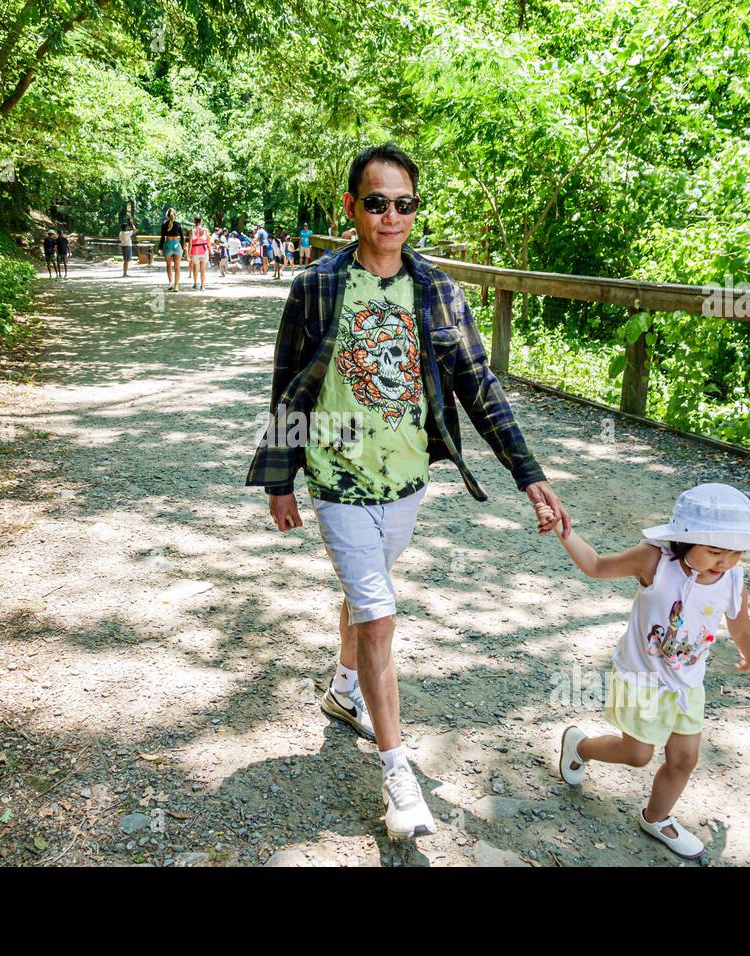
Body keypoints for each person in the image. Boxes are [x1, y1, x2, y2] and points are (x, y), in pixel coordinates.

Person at [246, 142, 570, 842]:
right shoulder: (318, 286)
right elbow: (289, 384)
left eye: (404, 203)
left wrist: (530, 475)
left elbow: (480, 388)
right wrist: (280, 478)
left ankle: (343, 687)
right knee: (380, 613)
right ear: (351, 207)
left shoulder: (438, 291)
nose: (390, 215)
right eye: (376, 202)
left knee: (370, 597)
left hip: (407, 481)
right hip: (336, 478)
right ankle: (397, 776)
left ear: (414, 209)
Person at [549, 483, 750, 859]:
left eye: (735, 552)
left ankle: (656, 817)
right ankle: (581, 746)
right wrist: (564, 529)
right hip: (641, 679)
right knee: (638, 755)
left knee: (684, 759)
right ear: (684, 541)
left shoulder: (733, 578)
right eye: (714, 551)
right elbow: (595, 566)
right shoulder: (654, 561)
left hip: (687, 683)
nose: (724, 561)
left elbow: (740, 623)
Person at [158, 208, 185, 292]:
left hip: (168, 245)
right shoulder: (178, 224)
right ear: (175, 215)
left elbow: (162, 237)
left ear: (167, 216)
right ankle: (176, 286)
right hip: (177, 245)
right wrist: (182, 247)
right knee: (177, 267)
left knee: (169, 266)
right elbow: (182, 237)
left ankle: (170, 283)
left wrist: (160, 248)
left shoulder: (164, 224)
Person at [188, 215, 211, 290]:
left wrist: (189, 253)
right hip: (204, 251)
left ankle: (195, 283)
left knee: (195, 268)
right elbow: (208, 242)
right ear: (201, 221)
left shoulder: (191, 231)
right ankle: (202, 285)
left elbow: (190, 244)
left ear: (194, 221)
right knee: (203, 269)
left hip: (195, 251)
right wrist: (210, 250)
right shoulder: (206, 230)